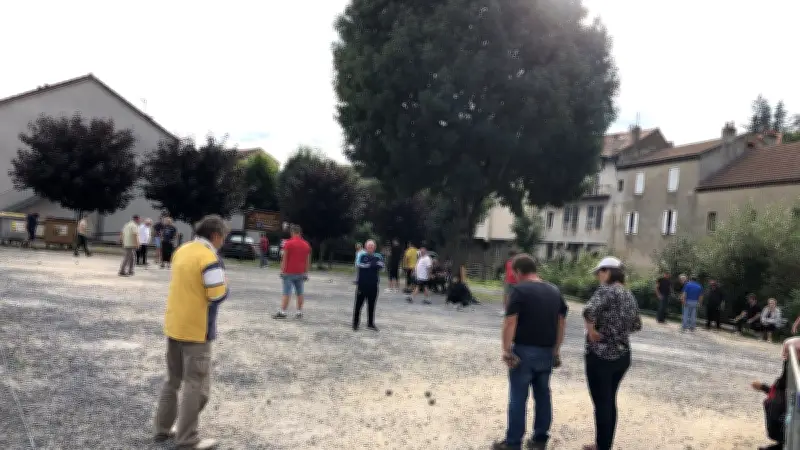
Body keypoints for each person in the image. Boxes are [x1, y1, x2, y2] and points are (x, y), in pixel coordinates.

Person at [153, 214, 230, 450]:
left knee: (173, 380)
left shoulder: (182, 250)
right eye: (223, 237)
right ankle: (187, 438)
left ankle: (162, 429)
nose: (223, 242)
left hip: (175, 324)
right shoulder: (209, 257)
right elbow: (217, 294)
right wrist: (226, 286)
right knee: (196, 386)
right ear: (215, 236)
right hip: (197, 328)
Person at [492, 254, 567, 450]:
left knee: (518, 397)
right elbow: (561, 321)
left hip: (524, 351)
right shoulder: (554, 291)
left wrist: (506, 350)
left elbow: (510, 321)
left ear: (517, 271)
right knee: (543, 396)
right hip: (546, 351)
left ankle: (513, 442)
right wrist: (556, 350)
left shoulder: (519, 291)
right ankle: (539, 439)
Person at [582, 257, 642, 450]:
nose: (598, 277)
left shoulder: (606, 290)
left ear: (608, 272)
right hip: (622, 355)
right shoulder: (628, 294)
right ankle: (603, 443)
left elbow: (588, 311)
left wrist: (592, 331)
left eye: (599, 272)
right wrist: (618, 332)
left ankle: (602, 446)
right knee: (609, 400)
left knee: (601, 402)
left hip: (601, 355)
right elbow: (637, 325)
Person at [273, 225, 311, 319]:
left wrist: (282, 270)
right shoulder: (306, 244)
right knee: (300, 293)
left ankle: (283, 312)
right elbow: (308, 260)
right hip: (301, 273)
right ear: (300, 233)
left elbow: (284, 258)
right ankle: (299, 312)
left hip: (288, 272)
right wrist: (306, 272)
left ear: (292, 232)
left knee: (286, 293)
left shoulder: (288, 243)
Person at [751, 358, 788, 450]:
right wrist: (763, 387)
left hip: (778, 429)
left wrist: (763, 387)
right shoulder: (785, 384)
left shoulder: (784, 384)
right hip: (780, 429)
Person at [353, 240, 384, 331]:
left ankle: (370, 323)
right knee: (358, 305)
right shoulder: (361, 255)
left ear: (375, 247)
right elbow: (359, 265)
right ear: (366, 247)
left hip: (373, 284)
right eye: (369, 246)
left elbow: (381, 266)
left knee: (371, 305)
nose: (370, 247)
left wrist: (370, 265)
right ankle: (355, 323)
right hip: (362, 284)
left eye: (372, 246)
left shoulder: (378, 256)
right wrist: (372, 264)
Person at [502, 250, 519, 315]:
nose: (512, 257)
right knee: (506, 295)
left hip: (515, 282)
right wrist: (504, 280)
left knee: (514, 296)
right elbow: (506, 271)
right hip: (508, 281)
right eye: (511, 256)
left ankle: (514, 310)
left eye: (514, 256)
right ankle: (505, 310)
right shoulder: (508, 262)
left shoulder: (518, 264)